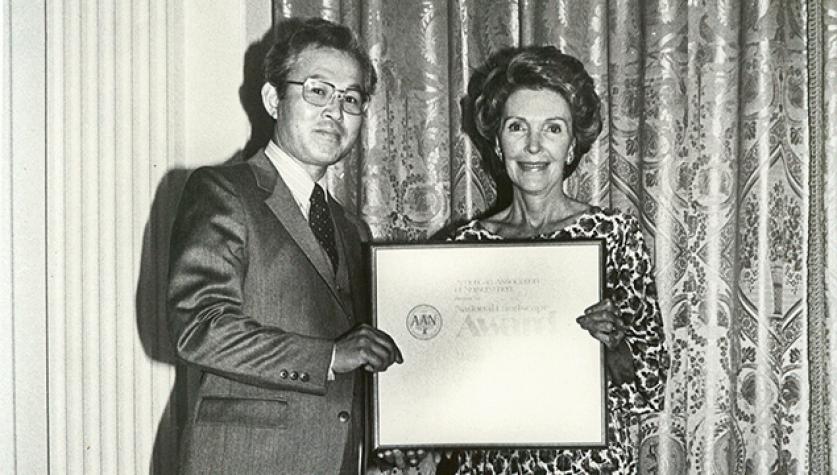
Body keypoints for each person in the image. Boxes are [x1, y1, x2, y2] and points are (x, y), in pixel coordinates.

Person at [167, 17, 402, 475]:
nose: (335, 111)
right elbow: (198, 327)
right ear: (274, 100)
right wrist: (330, 357)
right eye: (317, 91)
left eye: (350, 99)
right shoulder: (222, 191)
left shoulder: (352, 228)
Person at [436, 46, 669, 474]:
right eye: (517, 126)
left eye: (553, 129)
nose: (533, 146)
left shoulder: (614, 237)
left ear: (573, 143)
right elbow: (445, 382)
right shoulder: (464, 246)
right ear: (496, 139)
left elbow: (649, 392)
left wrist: (614, 343)